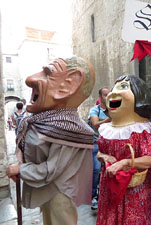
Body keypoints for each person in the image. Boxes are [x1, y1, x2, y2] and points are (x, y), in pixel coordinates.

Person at [6, 56, 95, 225]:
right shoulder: (44, 121)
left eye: (47, 74)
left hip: (59, 195)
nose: (31, 79)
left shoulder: (67, 129)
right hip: (50, 192)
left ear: (69, 85)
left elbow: (50, 170)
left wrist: (21, 169)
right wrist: (21, 165)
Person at [96, 74, 151, 225]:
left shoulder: (145, 130)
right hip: (110, 186)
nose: (114, 93)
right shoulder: (106, 129)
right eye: (113, 88)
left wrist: (124, 162)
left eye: (123, 87)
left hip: (136, 191)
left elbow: (150, 159)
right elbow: (100, 152)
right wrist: (105, 157)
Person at [88, 87, 111, 210]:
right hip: (96, 143)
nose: (107, 97)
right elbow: (95, 126)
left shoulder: (113, 109)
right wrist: (109, 119)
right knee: (96, 169)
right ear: (100, 96)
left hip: (110, 143)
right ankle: (93, 197)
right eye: (105, 94)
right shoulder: (94, 110)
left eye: (109, 94)